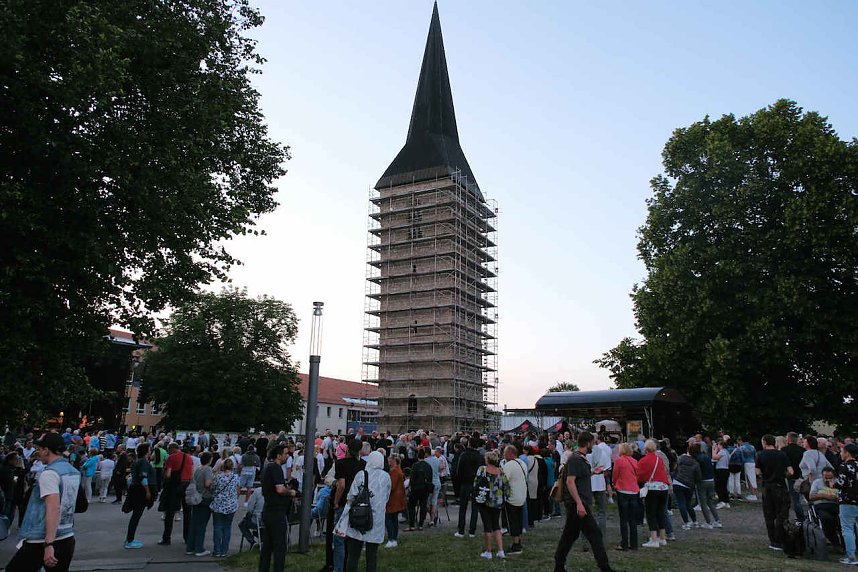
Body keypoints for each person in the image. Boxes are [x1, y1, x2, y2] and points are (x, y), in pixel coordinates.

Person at [5, 432, 81, 572]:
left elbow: (53, 508)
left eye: (40, 449)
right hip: (66, 535)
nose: (38, 452)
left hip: (41, 539)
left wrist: (48, 544)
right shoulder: (73, 472)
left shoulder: (49, 474)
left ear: (47, 450)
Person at [553, 431, 614, 572]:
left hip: (579, 503)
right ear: (587, 443)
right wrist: (579, 504)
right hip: (577, 504)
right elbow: (570, 481)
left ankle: (559, 565)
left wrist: (594, 472)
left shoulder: (581, 459)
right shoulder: (575, 459)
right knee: (595, 534)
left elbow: (578, 478)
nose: (593, 445)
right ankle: (605, 568)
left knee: (570, 534)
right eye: (592, 443)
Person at [335, 451, 391, 572]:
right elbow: (386, 497)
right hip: (376, 520)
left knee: (353, 554)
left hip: (359, 516)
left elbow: (351, 496)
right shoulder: (386, 477)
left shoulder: (361, 474)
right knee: (372, 556)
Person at [259, 444, 298, 572]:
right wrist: (291, 492)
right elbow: (280, 489)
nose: (288, 456)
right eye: (286, 453)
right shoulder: (276, 468)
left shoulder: (266, 467)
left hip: (268, 509)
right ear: (278, 455)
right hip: (276, 511)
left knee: (267, 546)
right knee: (279, 546)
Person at [755, 434, 792, 552]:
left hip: (767, 486)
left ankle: (773, 541)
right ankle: (781, 539)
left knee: (769, 515)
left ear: (765, 442)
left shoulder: (760, 455)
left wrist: (766, 475)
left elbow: (757, 472)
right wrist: (782, 475)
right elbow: (791, 471)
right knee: (782, 513)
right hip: (780, 486)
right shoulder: (782, 454)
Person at [332, 439, 365, 572]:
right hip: (358, 505)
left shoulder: (341, 464)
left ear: (347, 449)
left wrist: (335, 501)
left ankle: (338, 568)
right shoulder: (363, 464)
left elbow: (342, 485)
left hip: (344, 504)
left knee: (339, 539)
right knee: (354, 538)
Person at [472, 450, 511, 559]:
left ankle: (488, 551)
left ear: (487, 460)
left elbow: (476, 483)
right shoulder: (501, 471)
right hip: (498, 502)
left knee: (487, 527)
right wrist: (504, 498)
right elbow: (506, 487)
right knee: (496, 526)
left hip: (485, 501)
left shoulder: (482, 469)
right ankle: (500, 550)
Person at [159, 442, 193, 546]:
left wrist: (164, 478)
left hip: (174, 486)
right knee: (187, 514)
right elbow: (191, 473)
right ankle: (187, 537)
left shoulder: (171, 458)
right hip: (186, 485)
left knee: (170, 512)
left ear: (172, 449)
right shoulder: (189, 458)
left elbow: (168, 474)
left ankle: (166, 538)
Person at [638, 439, 670, 548]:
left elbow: (640, 475)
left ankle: (654, 539)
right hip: (663, 487)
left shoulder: (643, 460)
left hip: (652, 488)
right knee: (661, 512)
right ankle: (662, 538)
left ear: (645, 449)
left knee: (651, 513)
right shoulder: (659, 459)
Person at [125, 443, 155, 549]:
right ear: (146, 451)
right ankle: (130, 540)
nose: (150, 451)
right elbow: (143, 477)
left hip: (136, 489)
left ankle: (130, 538)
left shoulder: (139, 461)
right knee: (137, 515)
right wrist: (148, 491)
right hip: (140, 490)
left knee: (136, 515)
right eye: (149, 450)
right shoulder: (143, 462)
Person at [611, 443, 640, 551]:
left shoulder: (619, 461)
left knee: (623, 519)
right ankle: (634, 544)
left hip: (623, 490)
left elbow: (615, 475)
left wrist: (614, 484)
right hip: (634, 490)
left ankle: (624, 543)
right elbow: (638, 475)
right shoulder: (634, 461)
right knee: (633, 519)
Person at [453, 438, 483, 539]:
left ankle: (461, 530)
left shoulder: (464, 455)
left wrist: (461, 480)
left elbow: (459, 470)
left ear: (469, 444)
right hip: (475, 483)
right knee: (475, 508)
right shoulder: (479, 456)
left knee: (463, 507)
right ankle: (472, 531)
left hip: (465, 483)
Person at [211, 458, 240, 557]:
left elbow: (213, 488)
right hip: (231, 505)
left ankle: (217, 550)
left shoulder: (218, 477)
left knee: (217, 527)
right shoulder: (235, 477)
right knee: (227, 527)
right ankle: (224, 550)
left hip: (218, 504)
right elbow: (237, 490)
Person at [187, 451, 214, 557]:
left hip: (196, 497)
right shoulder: (208, 469)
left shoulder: (197, 469)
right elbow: (207, 483)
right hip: (205, 497)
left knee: (194, 523)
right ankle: (199, 548)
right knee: (202, 524)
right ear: (209, 460)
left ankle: (190, 547)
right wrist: (213, 483)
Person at [835, 442, 858, 565]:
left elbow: (840, 483)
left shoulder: (844, 466)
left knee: (848, 529)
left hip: (847, 500)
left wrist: (833, 484)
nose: (840, 453)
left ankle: (851, 556)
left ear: (847, 453)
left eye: (842, 451)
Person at [502, 444, 527, 554]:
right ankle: (519, 541)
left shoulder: (510, 465)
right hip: (521, 495)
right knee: (518, 520)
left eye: (505, 452)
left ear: (510, 453)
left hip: (512, 497)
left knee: (512, 521)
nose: (503, 454)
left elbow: (502, 479)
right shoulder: (522, 463)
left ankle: (516, 545)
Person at [809, 466, 842, 549]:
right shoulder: (817, 482)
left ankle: (845, 544)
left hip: (835, 506)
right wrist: (824, 495)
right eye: (825, 477)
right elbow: (811, 496)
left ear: (834, 476)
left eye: (830, 477)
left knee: (842, 520)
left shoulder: (838, 482)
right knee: (826, 519)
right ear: (822, 476)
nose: (827, 479)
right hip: (821, 506)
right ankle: (835, 542)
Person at [672, 444, 701, 530]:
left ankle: (686, 522)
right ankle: (695, 521)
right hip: (689, 484)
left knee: (681, 503)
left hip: (678, 482)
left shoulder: (681, 458)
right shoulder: (695, 463)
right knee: (688, 503)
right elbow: (698, 476)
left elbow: (675, 469)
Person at [693, 442, 721, 528]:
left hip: (702, 481)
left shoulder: (697, 458)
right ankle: (717, 520)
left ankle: (708, 522)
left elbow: (696, 470)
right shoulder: (706, 456)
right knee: (710, 501)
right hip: (711, 480)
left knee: (703, 503)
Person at [406, 447, 432, 531]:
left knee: (411, 506)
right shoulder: (428, 466)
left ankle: (412, 525)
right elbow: (430, 478)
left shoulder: (415, 465)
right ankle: (421, 524)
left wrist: (410, 486)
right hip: (425, 488)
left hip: (415, 488)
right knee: (423, 506)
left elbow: (412, 478)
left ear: (417, 456)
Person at [783, 432, 806, 520]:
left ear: (788, 439)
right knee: (797, 498)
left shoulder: (784, 450)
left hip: (788, 475)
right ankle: (801, 517)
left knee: (792, 499)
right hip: (799, 475)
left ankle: (799, 517)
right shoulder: (802, 450)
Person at [384, 455, 406, 548]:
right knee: (394, 519)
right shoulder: (398, 470)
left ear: (393, 460)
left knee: (389, 519)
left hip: (393, 499)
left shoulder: (395, 472)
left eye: (390, 459)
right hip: (397, 499)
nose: (388, 461)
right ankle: (394, 538)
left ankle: (391, 539)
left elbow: (391, 486)